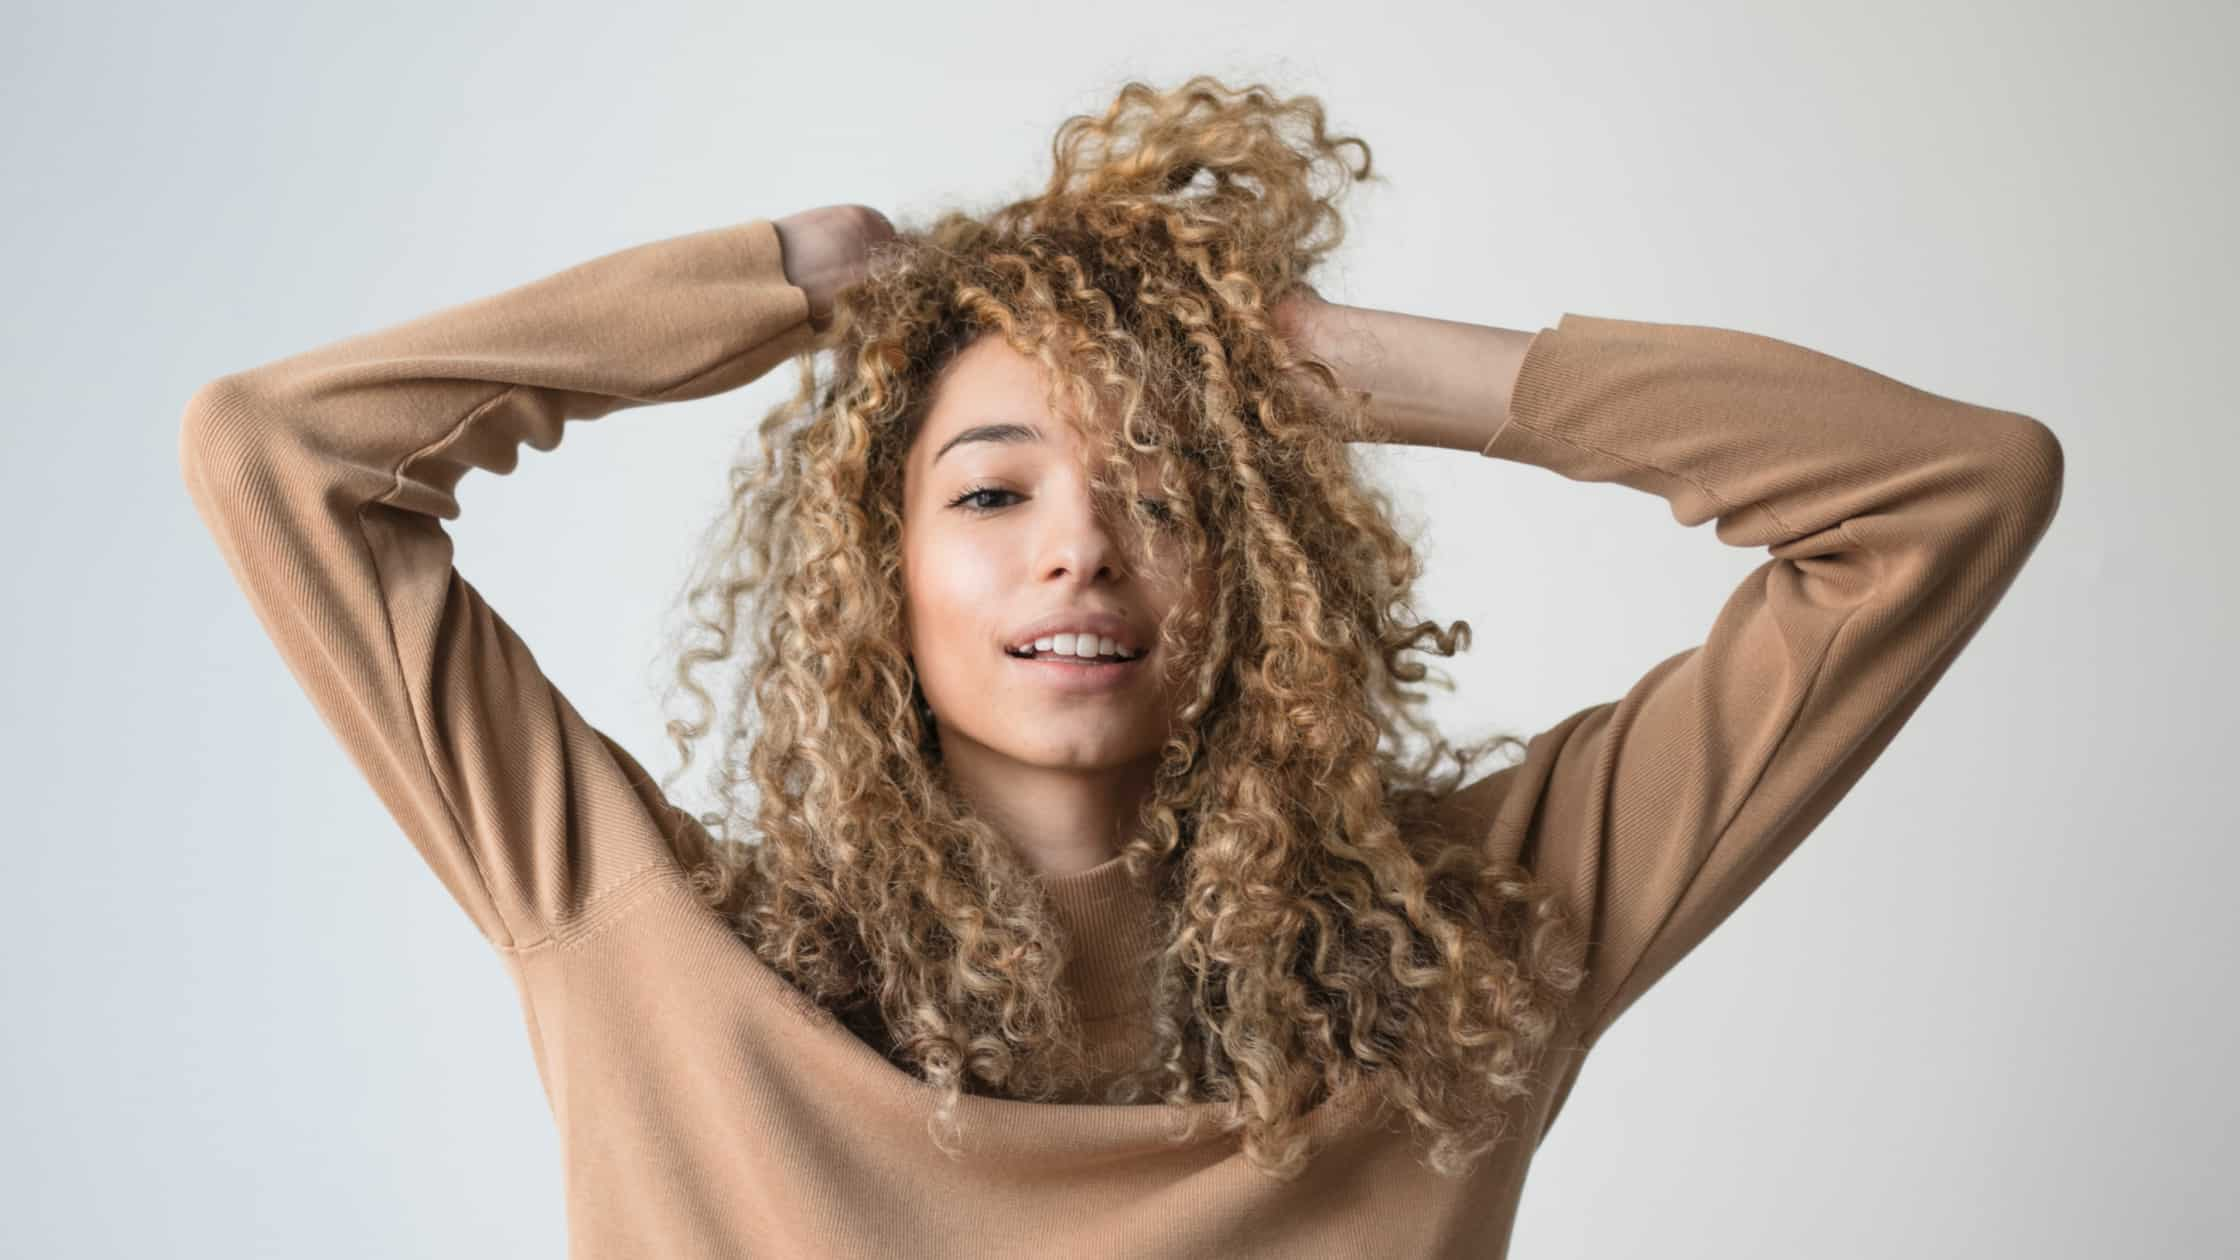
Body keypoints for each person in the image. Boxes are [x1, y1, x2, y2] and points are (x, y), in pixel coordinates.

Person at [177, 75, 2063, 1258]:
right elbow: (279, 454)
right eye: (992, 490)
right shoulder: (639, 934)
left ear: (1268, 566)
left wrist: (1379, 370)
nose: (1078, 543)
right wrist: (775, 280)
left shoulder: (1482, 941)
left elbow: (1948, 494)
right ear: (876, 564)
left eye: (1164, 487)